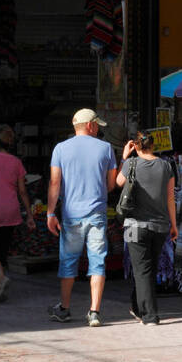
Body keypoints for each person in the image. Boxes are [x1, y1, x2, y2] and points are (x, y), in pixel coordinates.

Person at [47, 109, 117, 326]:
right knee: (98, 262)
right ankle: (94, 312)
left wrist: (50, 213)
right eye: (97, 125)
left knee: (68, 262)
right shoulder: (106, 148)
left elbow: (55, 183)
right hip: (97, 214)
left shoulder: (60, 149)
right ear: (90, 125)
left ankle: (64, 308)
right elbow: (111, 185)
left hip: (71, 216)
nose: (98, 129)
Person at [115, 134, 177, 326]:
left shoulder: (131, 164)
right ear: (153, 145)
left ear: (136, 146)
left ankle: (149, 315)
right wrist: (173, 225)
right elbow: (170, 199)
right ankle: (137, 305)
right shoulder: (166, 166)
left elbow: (118, 183)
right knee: (147, 269)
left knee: (141, 270)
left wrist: (124, 157)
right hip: (159, 226)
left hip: (133, 226)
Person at [0, 125, 34, 303]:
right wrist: (30, 215)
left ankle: (2, 279)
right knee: (2, 249)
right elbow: (23, 191)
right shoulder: (16, 162)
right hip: (11, 211)